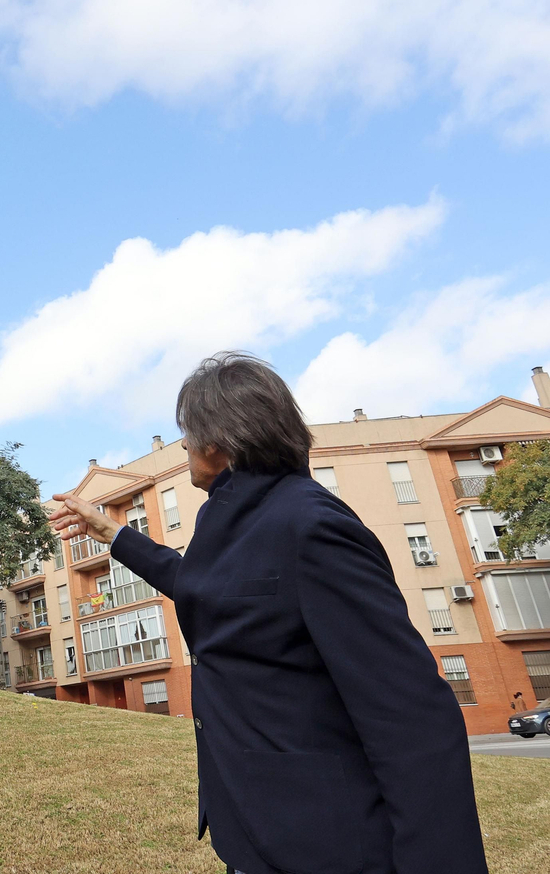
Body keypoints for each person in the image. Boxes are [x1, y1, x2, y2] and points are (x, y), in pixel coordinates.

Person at [49, 352, 486, 874]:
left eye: (188, 432)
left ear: (221, 440)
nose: (183, 444)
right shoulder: (232, 514)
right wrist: (113, 534)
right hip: (258, 833)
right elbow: (213, 590)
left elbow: (412, 716)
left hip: (328, 844)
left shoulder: (311, 524)